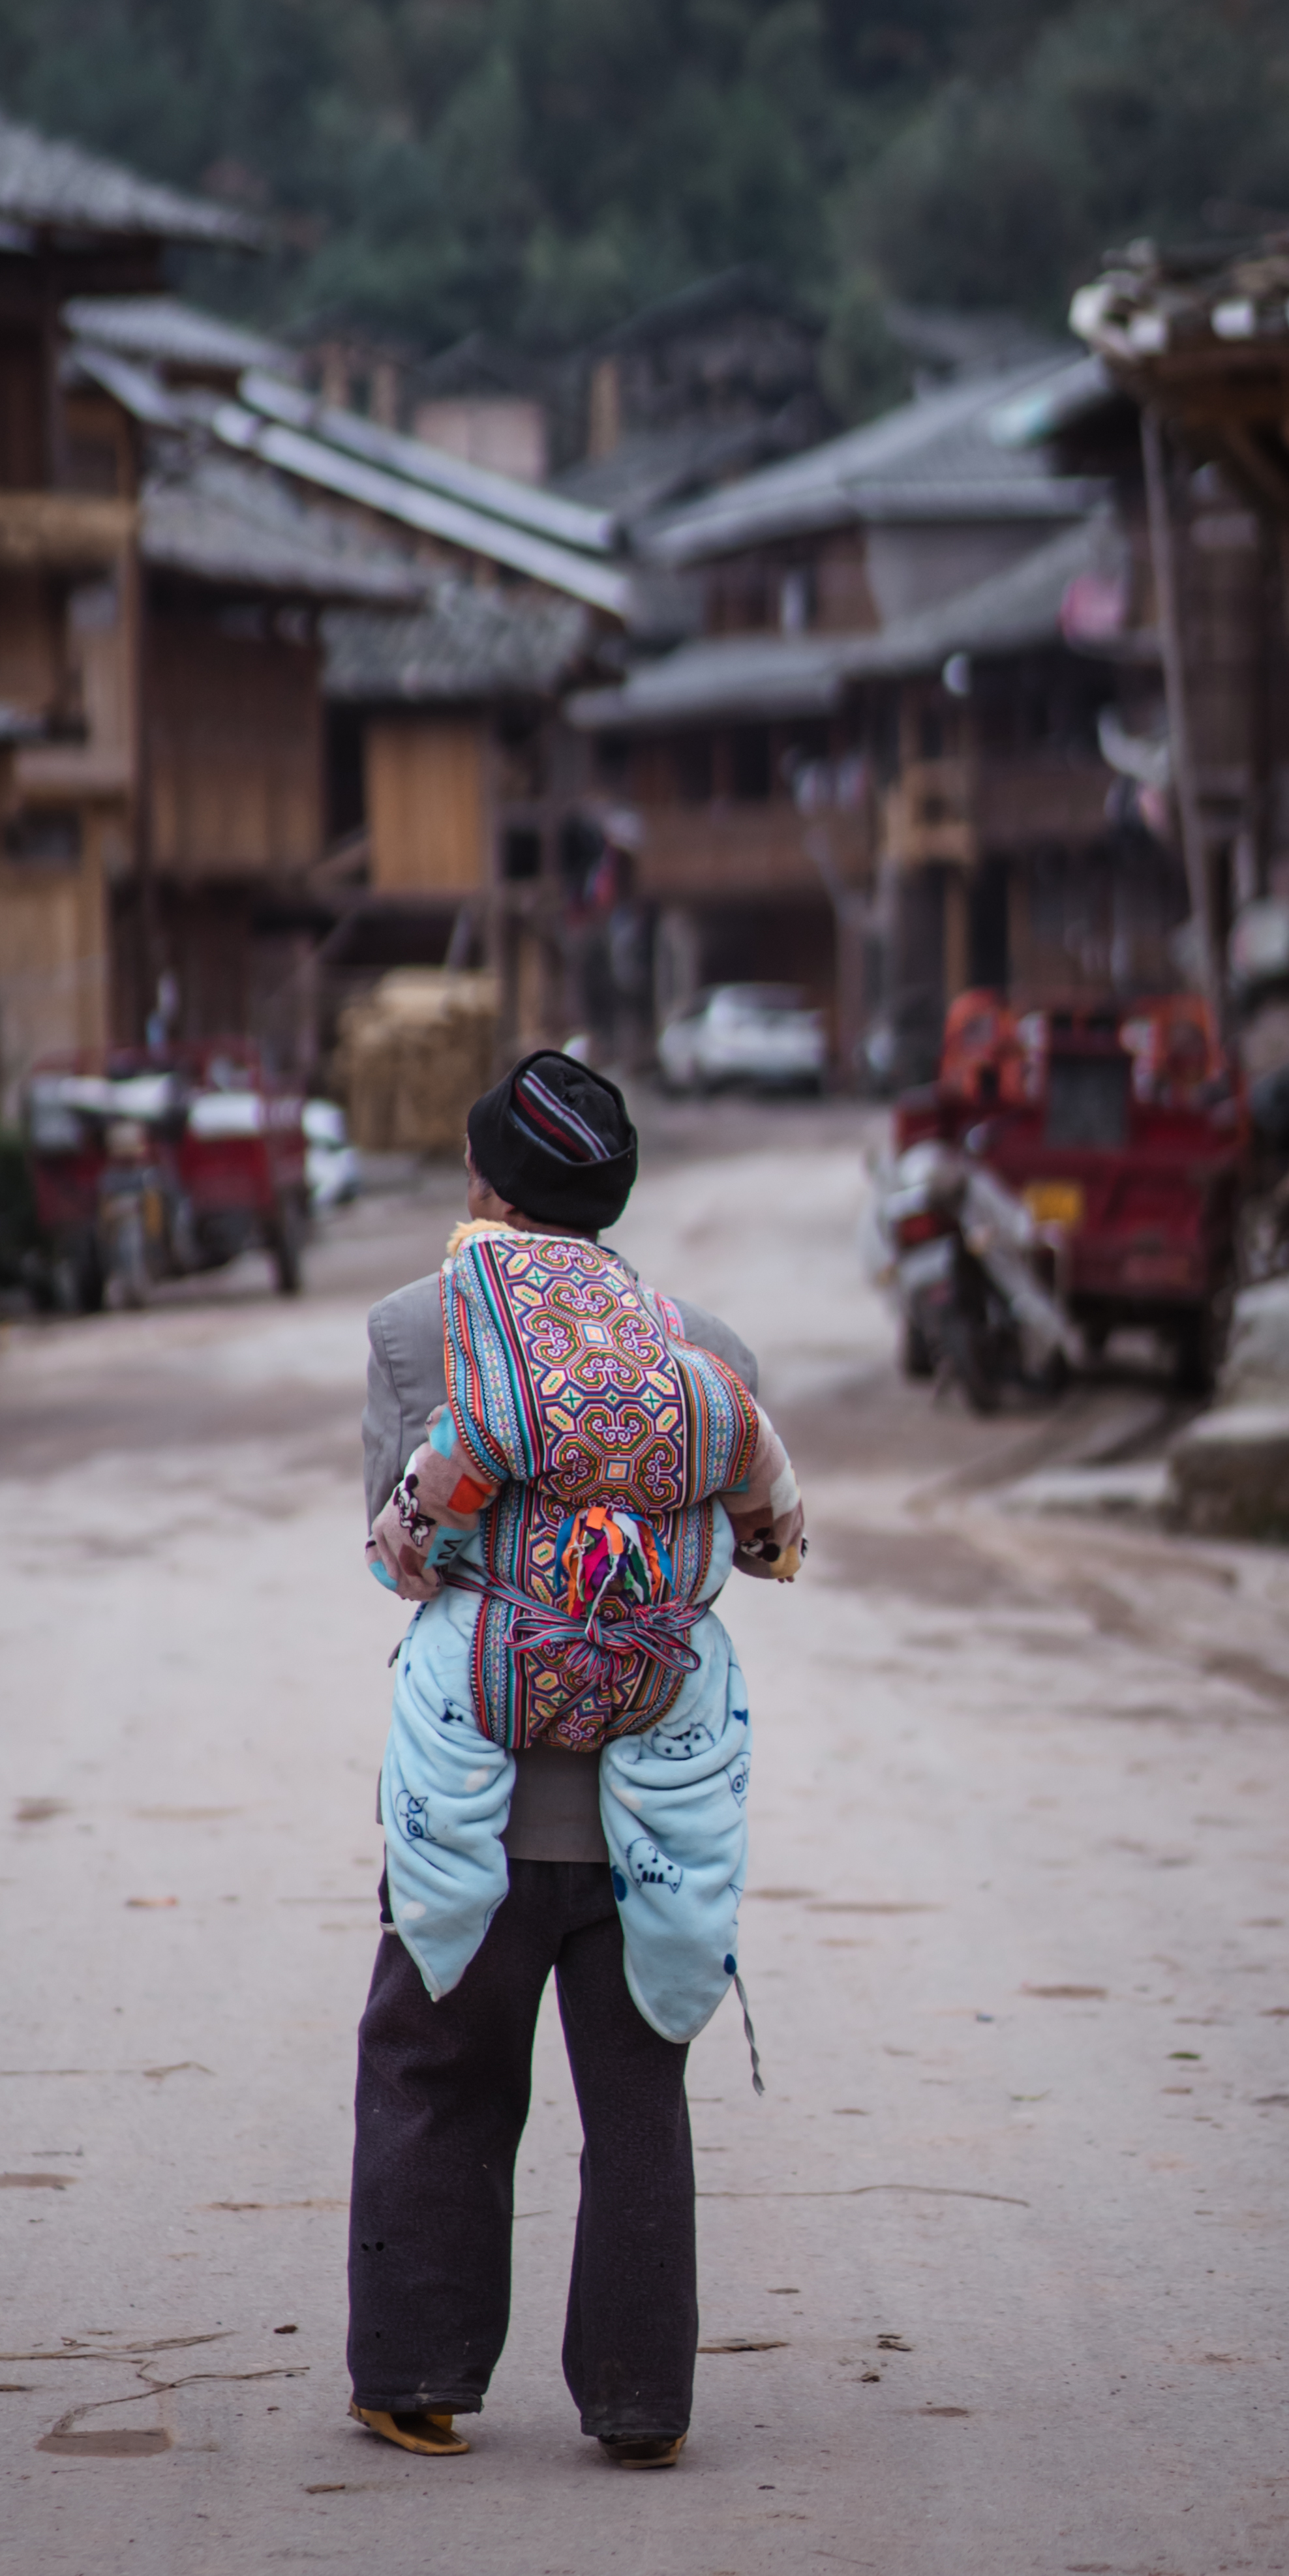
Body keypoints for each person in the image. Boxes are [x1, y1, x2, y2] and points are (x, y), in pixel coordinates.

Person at [344, 1048, 802, 2472]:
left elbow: (397, 1563)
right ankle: (639, 2405)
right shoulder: (705, 1349)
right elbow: (751, 1546)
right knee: (636, 2093)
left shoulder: (418, 1332)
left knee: (433, 2071)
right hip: (644, 1817)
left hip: (472, 1807)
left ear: (483, 1184)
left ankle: (417, 2377)